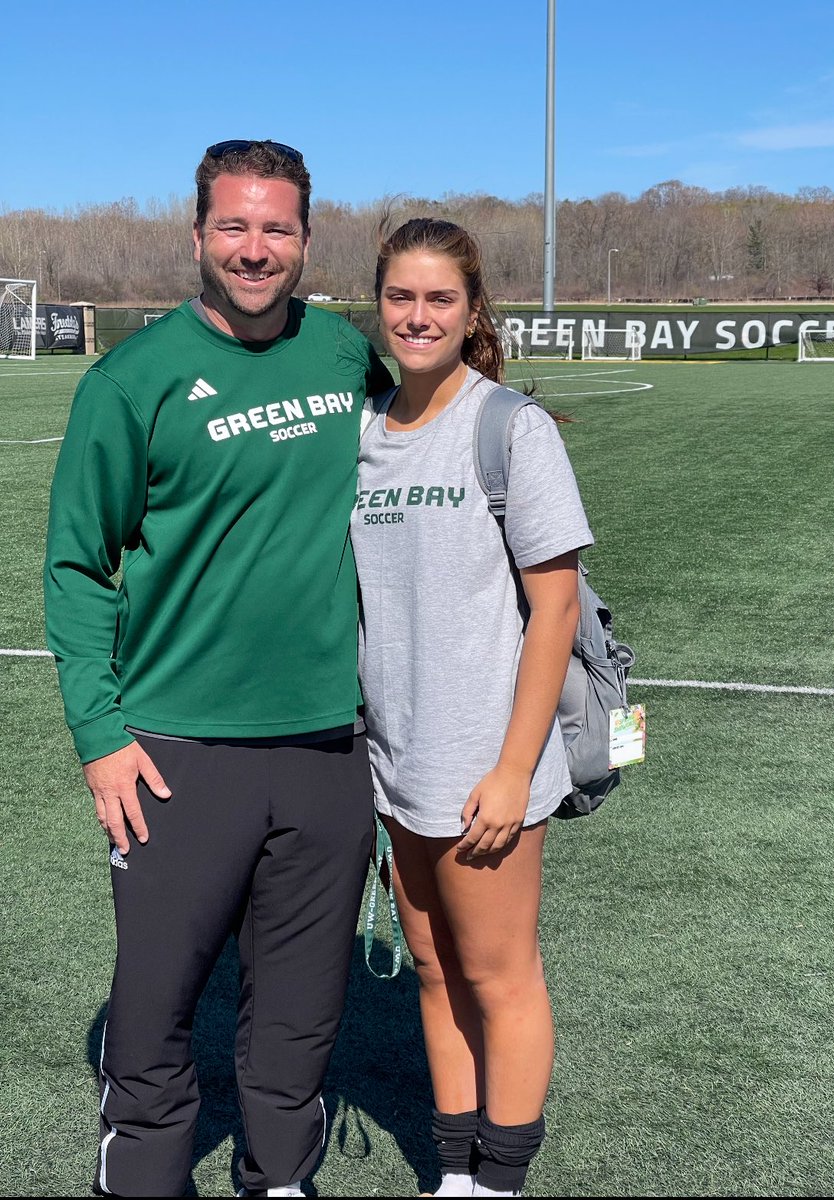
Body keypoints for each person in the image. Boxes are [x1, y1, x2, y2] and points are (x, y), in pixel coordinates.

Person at [43, 139, 394, 1199]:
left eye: (276, 227)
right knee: (153, 1012)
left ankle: (279, 1181)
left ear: (304, 239)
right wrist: (101, 735)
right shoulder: (132, 380)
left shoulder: (343, 356)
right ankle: (142, 1178)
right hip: (176, 756)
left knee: (298, 1017)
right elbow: (75, 564)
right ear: (198, 235)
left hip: (330, 752)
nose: (255, 248)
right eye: (234, 226)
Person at [352, 218, 594, 1198]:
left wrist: (510, 768)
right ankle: (453, 1173)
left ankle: (499, 1182)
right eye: (402, 297)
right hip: (395, 761)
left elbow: (557, 606)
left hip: (488, 766)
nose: (418, 316)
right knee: (433, 968)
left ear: (471, 310)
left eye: (439, 299)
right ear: (380, 304)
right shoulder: (363, 433)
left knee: (500, 975)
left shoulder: (508, 428)